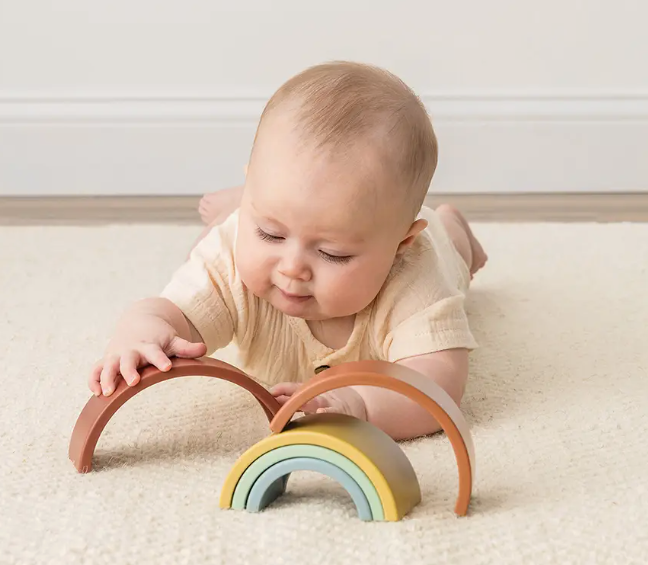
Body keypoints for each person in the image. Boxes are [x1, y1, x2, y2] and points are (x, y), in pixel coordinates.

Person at [88, 61, 487, 441]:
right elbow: (165, 312)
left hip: (437, 245)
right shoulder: (229, 258)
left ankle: (455, 228)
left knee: (454, 255)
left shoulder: (414, 275)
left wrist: (361, 404)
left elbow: (437, 384)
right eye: (271, 234)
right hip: (245, 223)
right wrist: (139, 335)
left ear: (400, 245)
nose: (293, 269)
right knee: (210, 249)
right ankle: (242, 210)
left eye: (333, 254)